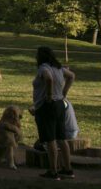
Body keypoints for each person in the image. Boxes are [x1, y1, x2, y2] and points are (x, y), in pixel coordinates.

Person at [32, 46, 76, 180]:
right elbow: (72, 76)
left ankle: (53, 171)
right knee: (61, 139)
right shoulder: (59, 68)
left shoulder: (44, 68)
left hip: (47, 106)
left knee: (50, 139)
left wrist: (49, 95)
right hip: (59, 105)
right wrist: (63, 93)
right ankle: (67, 169)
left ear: (41, 56)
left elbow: (48, 79)